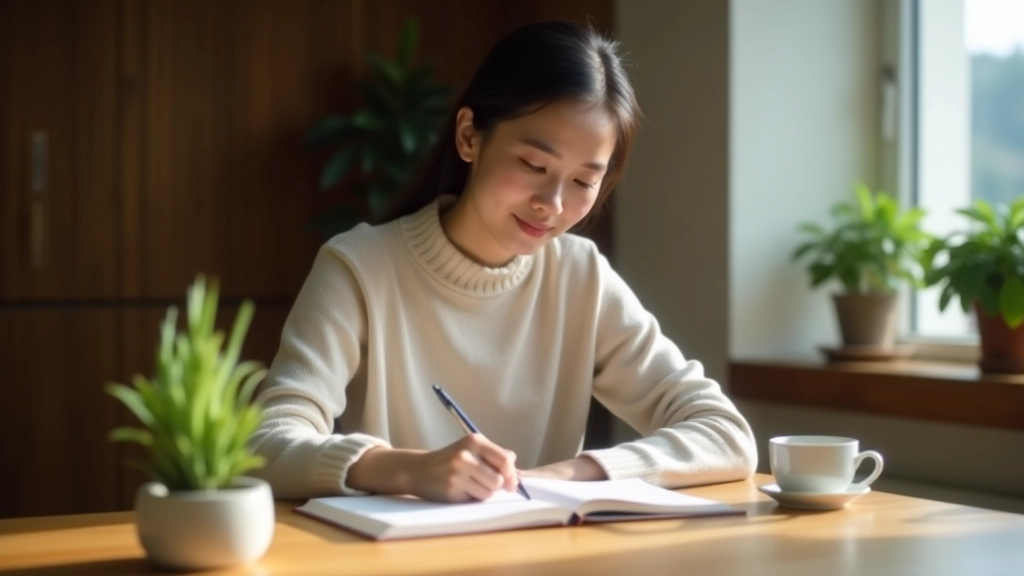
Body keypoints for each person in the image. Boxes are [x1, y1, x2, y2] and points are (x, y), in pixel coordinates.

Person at [250, 21, 756, 503]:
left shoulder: (581, 278)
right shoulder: (359, 269)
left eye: (584, 181)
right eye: (534, 165)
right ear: (470, 135)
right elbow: (266, 445)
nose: (553, 204)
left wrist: (572, 474)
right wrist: (408, 469)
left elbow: (726, 435)